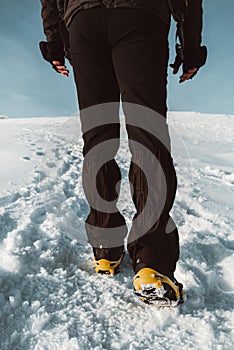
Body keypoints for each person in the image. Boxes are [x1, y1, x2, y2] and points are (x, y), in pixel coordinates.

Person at [40, 0, 207, 306]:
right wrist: (191, 43)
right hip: (140, 15)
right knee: (148, 134)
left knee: (97, 133)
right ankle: (152, 264)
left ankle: (105, 248)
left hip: (83, 19)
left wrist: (55, 41)